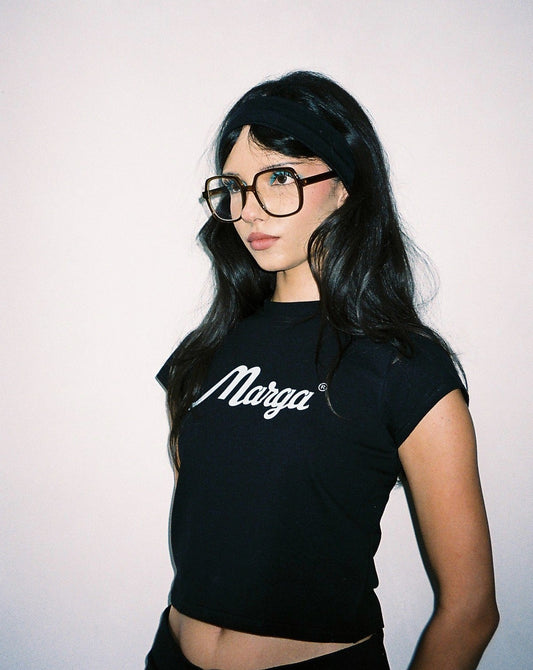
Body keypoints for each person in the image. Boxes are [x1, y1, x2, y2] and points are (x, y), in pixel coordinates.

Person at [145, 71, 498, 670]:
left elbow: (471, 611)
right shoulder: (204, 353)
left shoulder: (403, 367)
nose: (248, 211)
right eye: (235, 187)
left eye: (279, 178)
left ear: (345, 187)